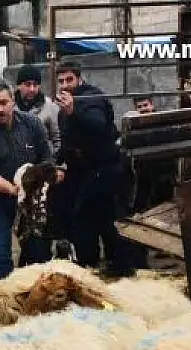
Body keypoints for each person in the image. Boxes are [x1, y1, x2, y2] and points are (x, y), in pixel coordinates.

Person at [0, 79, 58, 281]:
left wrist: (43, 180)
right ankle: (5, 299)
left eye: (3, 102)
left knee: (38, 250)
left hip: (31, 197)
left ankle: (37, 291)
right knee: (0, 255)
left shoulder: (32, 123)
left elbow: (46, 158)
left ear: (12, 101)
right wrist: (13, 189)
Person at [54, 59, 134, 276]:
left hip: (104, 170)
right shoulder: (64, 108)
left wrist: (73, 111)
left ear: (79, 79)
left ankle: (118, 267)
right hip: (82, 171)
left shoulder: (91, 97)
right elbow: (68, 140)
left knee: (105, 221)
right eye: (61, 81)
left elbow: (97, 126)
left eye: (69, 79)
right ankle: (92, 265)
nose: (65, 85)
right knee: (84, 220)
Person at [14, 65, 62, 156]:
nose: (32, 89)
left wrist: (56, 163)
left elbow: (57, 139)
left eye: (35, 85)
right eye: (28, 84)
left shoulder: (50, 107)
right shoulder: (10, 107)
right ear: (19, 86)